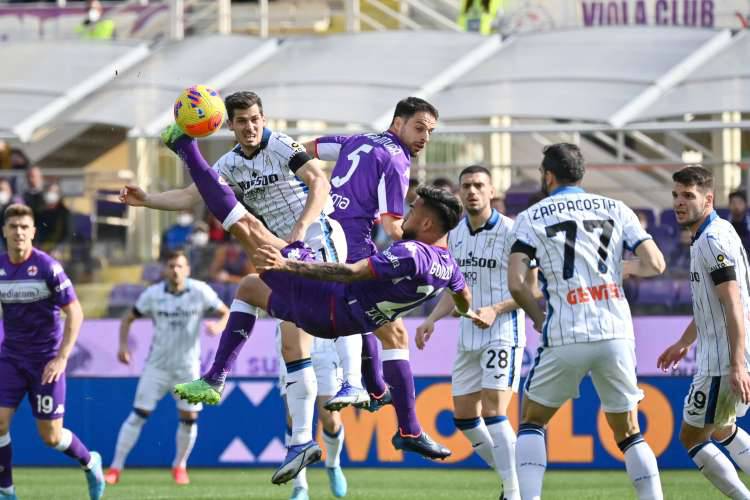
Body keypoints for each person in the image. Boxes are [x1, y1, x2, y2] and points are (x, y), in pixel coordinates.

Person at [120, 91, 362, 486]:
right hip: (281, 253)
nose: (250, 127)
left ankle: (351, 389)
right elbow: (192, 195)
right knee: (277, 327)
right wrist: (148, 201)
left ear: (262, 119)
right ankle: (300, 448)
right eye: (242, 121)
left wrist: (299, 231)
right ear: (228, 124)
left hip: (317, 236)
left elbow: (319, 182)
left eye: (255, 119)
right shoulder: (229, 163)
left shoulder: (281, 144)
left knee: (335, 310)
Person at [174, 184, 473, 469]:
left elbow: (352, 272)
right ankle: (401, 422)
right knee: (251, 285)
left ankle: (221, 380)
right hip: (354, 320)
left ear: (427, 225)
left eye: (415, 208)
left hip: (328, 307)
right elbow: (463, 297)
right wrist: (464, 312)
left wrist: (289, 264)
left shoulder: (411, 253)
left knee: (249, 232)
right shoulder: (449, 267)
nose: (407, 210)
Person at [507, 143, 666, 500]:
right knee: (629, 432)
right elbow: (656, 264)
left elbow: (517, 282)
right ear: (581, 173)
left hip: (565, 331)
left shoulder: (531, 217)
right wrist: (619, 270)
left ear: (548, 175)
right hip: (615, 332)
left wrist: (536, 317)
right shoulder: (617, 208)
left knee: (532, 420)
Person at [305, 96, 439, 414]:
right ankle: (373, 390)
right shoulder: (397, 159)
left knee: (367, 317)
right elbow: (393, 226)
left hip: (321, 229)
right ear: (398, 123)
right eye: (419, 128)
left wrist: (310, 184)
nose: (425, 138)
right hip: (352, 240)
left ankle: (371, 388)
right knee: (382, 322)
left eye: (431, 132)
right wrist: (431, 253)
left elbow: (303, 151)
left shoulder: (357, 139)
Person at [417, 165, 537, 500]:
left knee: (495, 411)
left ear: (491, 190)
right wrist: (432, 320)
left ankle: (515, 494)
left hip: (503, 332)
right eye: (466, 185)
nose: (472, 191)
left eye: (478, 185)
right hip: (467, 336)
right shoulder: (453, 235)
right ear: (459, 192)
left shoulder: (514, 233)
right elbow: (452, 289)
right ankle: (512, 479)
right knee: (465, 418)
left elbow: (533, 289)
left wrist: (495, 310)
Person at [0, 204, 104, 500]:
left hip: (46, 361)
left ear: (33, 232)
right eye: (13, 227)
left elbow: (75, 312)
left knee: (52, 437)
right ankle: (6, 489)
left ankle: (90, 461)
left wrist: (61, 357)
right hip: (11, 358)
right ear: (4, 231)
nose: (18, 232)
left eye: (24, 227)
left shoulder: (48, 267)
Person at [657, 166, 750, 499]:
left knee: (692, 438)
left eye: (688, 196)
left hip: (723, 358)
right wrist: (684, 341)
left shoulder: (711, 241)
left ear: (708, 198)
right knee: (723, 427)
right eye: (676, 195)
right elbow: (713, 304)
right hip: (729, 352)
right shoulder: (716, 232)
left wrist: (736, 364)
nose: (679, 203)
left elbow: (732, 302)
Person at [104, 250, 229, 486]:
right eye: (171, 266)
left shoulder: (200, 291)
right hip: (157, 367)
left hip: (188, 368)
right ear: (165, 270)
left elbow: (226, 313)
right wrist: (122, 346)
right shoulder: (152, 294)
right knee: (138, 414)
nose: (175, 270)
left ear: (188, 269)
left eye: (180, 266)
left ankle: (180, 466)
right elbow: (127, 318)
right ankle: (115, 468)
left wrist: (218, 326)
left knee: (189, 417)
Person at [279, 336, 348, 500]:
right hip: (292, 340)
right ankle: (300, 486)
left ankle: (332, 463)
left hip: (327, 344)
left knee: (331, 419)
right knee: (294, 417)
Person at [37, 183, 71, 255]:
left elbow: (68, 235)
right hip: (40, 251)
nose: (50, 194)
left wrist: (58, 249)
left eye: (53, 192)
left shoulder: (64, 213)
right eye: (48, 191)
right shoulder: (40, 212)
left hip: (58, 253)